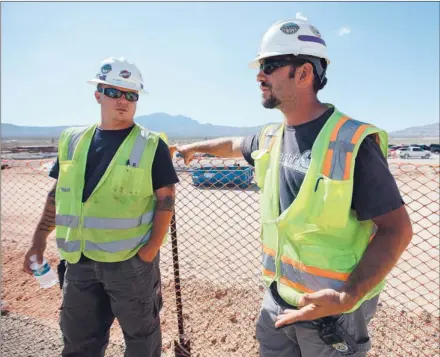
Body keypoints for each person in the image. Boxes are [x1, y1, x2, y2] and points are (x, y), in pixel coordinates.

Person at [171, 17, 413, 357]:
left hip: (332, 312)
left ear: (303, 73)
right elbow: (237, 143)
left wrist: (349, 296)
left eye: (270, 66)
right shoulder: (272, 136)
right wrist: (196, 147)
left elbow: (397, 230)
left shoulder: (352, 142)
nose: (259, 75)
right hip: (278, 299)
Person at [23, 57, 179, 357]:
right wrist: (38, 241)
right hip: (78, 262)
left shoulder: (149, 144)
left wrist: (148, 253)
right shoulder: (72, 140)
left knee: (141, 341)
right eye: (114, 92)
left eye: (131, 95)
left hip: (129, 265)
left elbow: (166, 200)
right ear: (98, 95)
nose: (123, 101)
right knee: (79, 341)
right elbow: (57, 194)